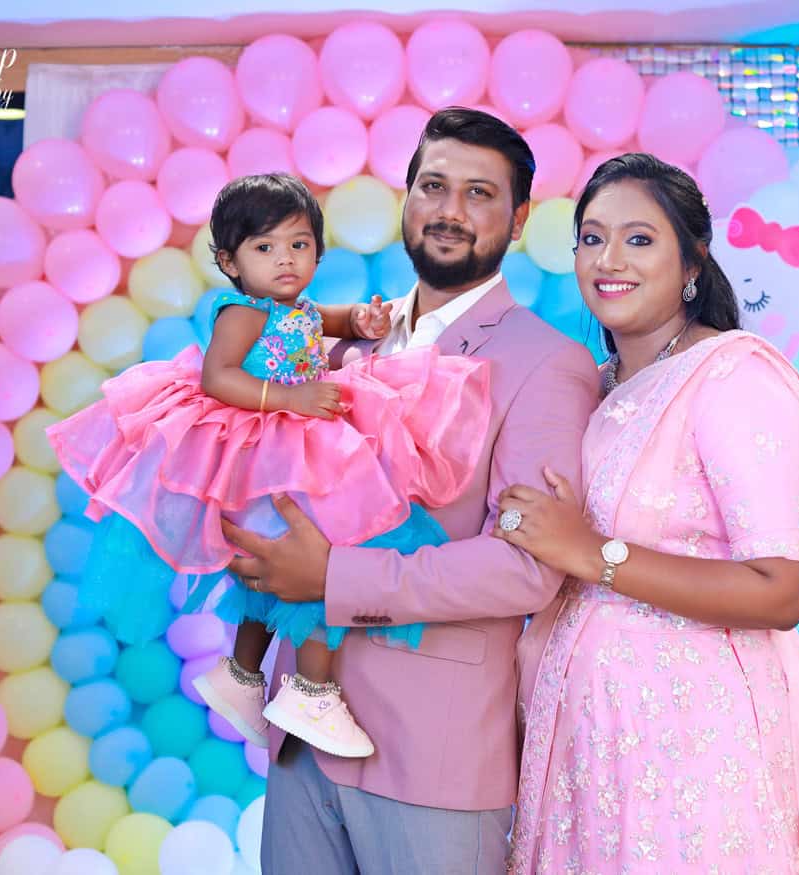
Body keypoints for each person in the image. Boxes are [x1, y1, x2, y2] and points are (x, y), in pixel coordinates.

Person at [219, 108, 602, 874]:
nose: (450, 211)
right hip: (300, 742)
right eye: (432, 185)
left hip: (434, 753)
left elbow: (526, 566)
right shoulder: (346, 337)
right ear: (406, 197)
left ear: (518, 219)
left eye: (479, 193)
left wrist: (333, 579)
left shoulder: (546, 361)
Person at [48, 173, 493, 761]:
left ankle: (241, 673)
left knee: (277, 560)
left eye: (299, 245)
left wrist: (361, 322)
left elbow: (324, 321)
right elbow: (218, 377)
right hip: (266, 444)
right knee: (326, 550)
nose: (286, 260)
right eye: (265, 248)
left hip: (293, 443)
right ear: (229, 261)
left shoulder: (293, 307)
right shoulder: (242, 313)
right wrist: (292, 400)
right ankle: (311, 690)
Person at [498, 153, 799, 873]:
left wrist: (591, 552)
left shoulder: (732, 376)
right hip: (586, 747)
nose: (609, 258)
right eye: (591, 237)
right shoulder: (594, 386)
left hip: (690, 751)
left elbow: (778, 588)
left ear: (692, 260)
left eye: (638, 238)